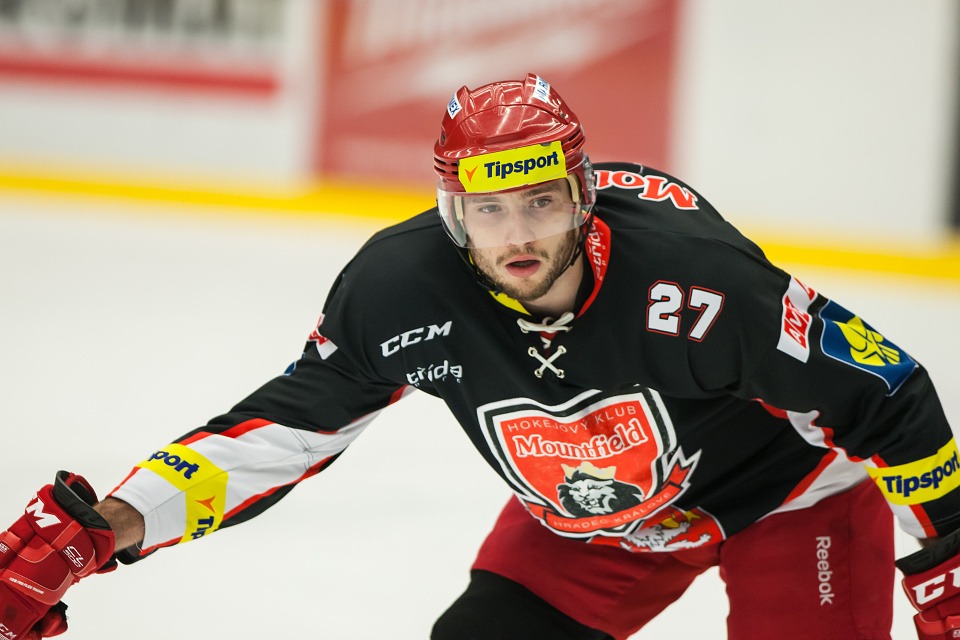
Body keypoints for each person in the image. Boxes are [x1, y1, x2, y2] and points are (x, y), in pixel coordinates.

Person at [1, 73, 958, 640]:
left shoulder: (699, 282)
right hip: (595, 515)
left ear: (582, 192)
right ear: (452, 213)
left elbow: (888, 394)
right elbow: (284, 431)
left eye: (540, 201)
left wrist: (952, 551)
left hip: (790, 501)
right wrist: (102, 530)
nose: (518, 236)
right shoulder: (400, 289)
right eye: (489, 210)